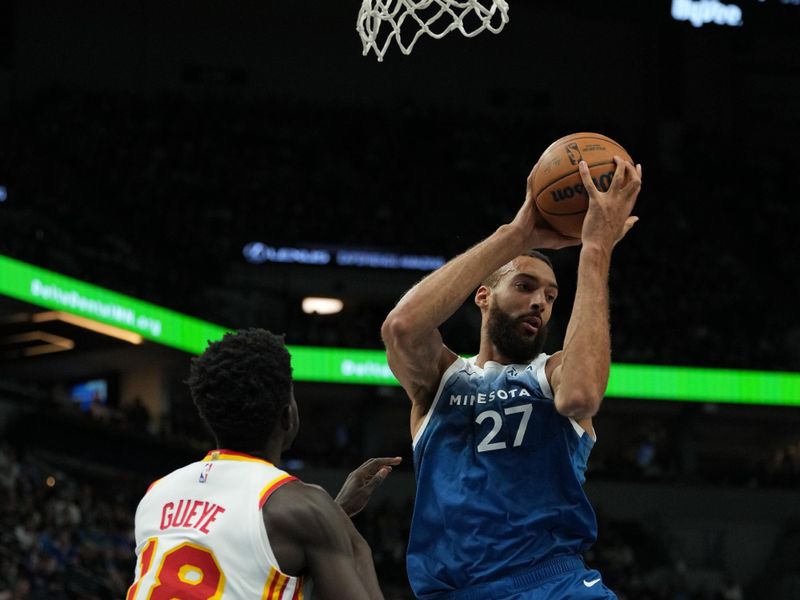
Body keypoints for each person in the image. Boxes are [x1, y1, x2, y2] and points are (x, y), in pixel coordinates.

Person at [382, 157, 642, 599]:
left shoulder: (552, 371)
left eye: (550, 296)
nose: (540, 301)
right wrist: (516, 235)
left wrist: (596, 251)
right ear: (483, 296)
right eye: (524, 286)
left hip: (552, 585)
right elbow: (401, 328)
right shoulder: (441, 380)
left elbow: (580, 396)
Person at [127, 328, 400, 600]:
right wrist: (343, 527)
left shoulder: (156, 494)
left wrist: (331, 513)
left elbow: (237, 543)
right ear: (288, 416)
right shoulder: (304, 508)